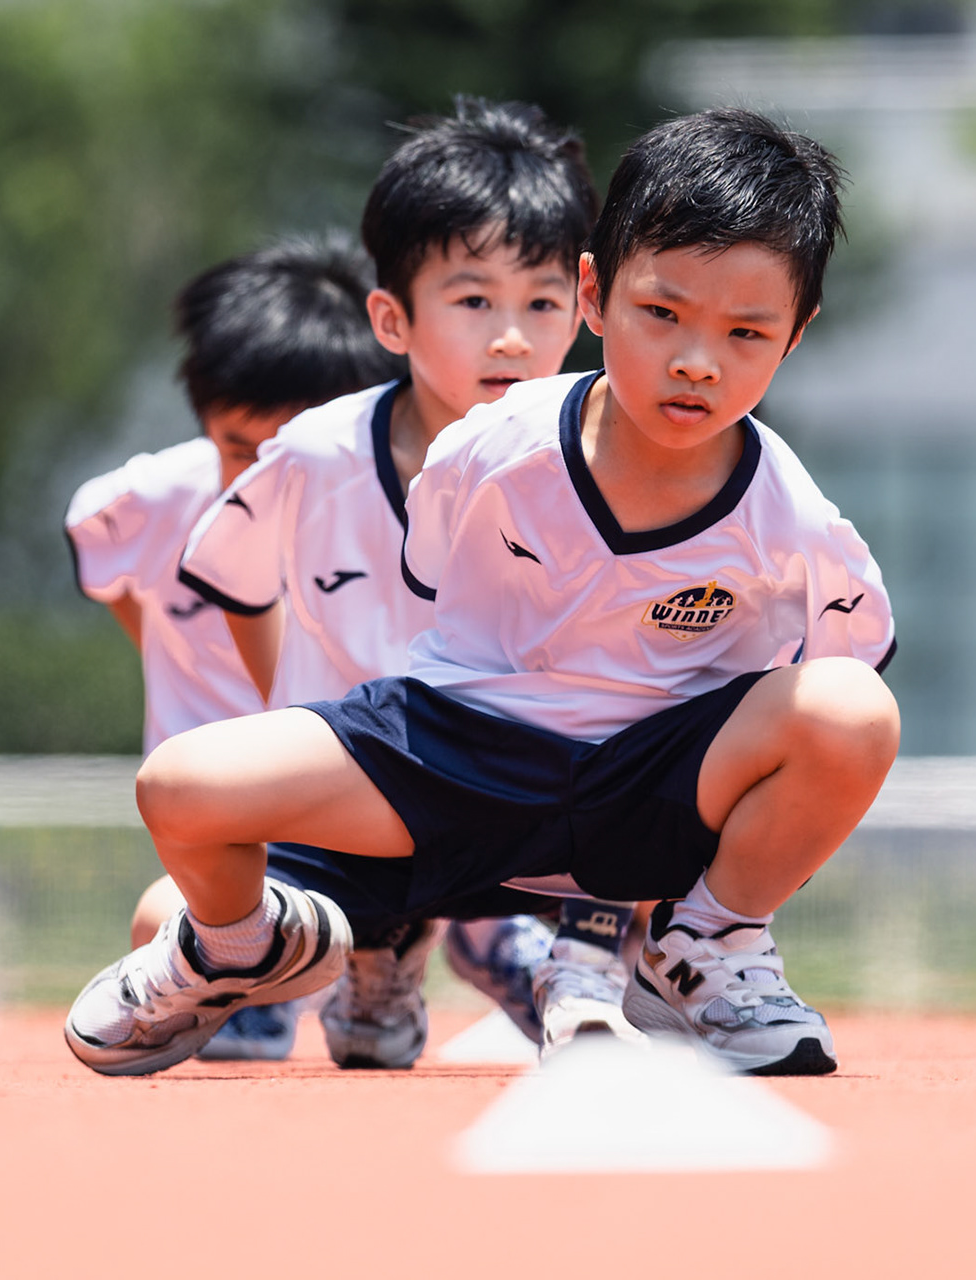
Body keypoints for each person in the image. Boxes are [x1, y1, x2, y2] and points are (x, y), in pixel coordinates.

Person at [67, 106, 898, 1079]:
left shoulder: (792, 516)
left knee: (853, 710)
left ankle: (699, 948)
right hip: (451, 765)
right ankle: (253, 945)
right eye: (663, 313)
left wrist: (714, 856)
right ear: (595, 295)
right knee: (180, 786)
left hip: (639, 799)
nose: (696, 360)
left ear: (795, 336)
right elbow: (417, 606)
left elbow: (831, 699)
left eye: (746, 331)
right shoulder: (487, 448)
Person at [166, 96, 638, 1070]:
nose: (511, 337)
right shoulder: (315, 455)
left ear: (586, 305)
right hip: (364, 798)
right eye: (474, 302)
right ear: (391, 317)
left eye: (542, 303)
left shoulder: (618, 461)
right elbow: (238, 584)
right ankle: (374, 945)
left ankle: (554, 955)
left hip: (526, 798)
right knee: (158, 913)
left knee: (680, 758)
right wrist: (298, 717)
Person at [64, 235, 402, 1061]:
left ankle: (411, 951)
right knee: (160, 918)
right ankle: (250, 973)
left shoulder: (406, 512)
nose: (260, 481)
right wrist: (172, 662)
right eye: (238, 449)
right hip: (228, 832)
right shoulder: (138, 504)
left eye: (288, 453)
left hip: (362, 813)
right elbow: (110, 576)